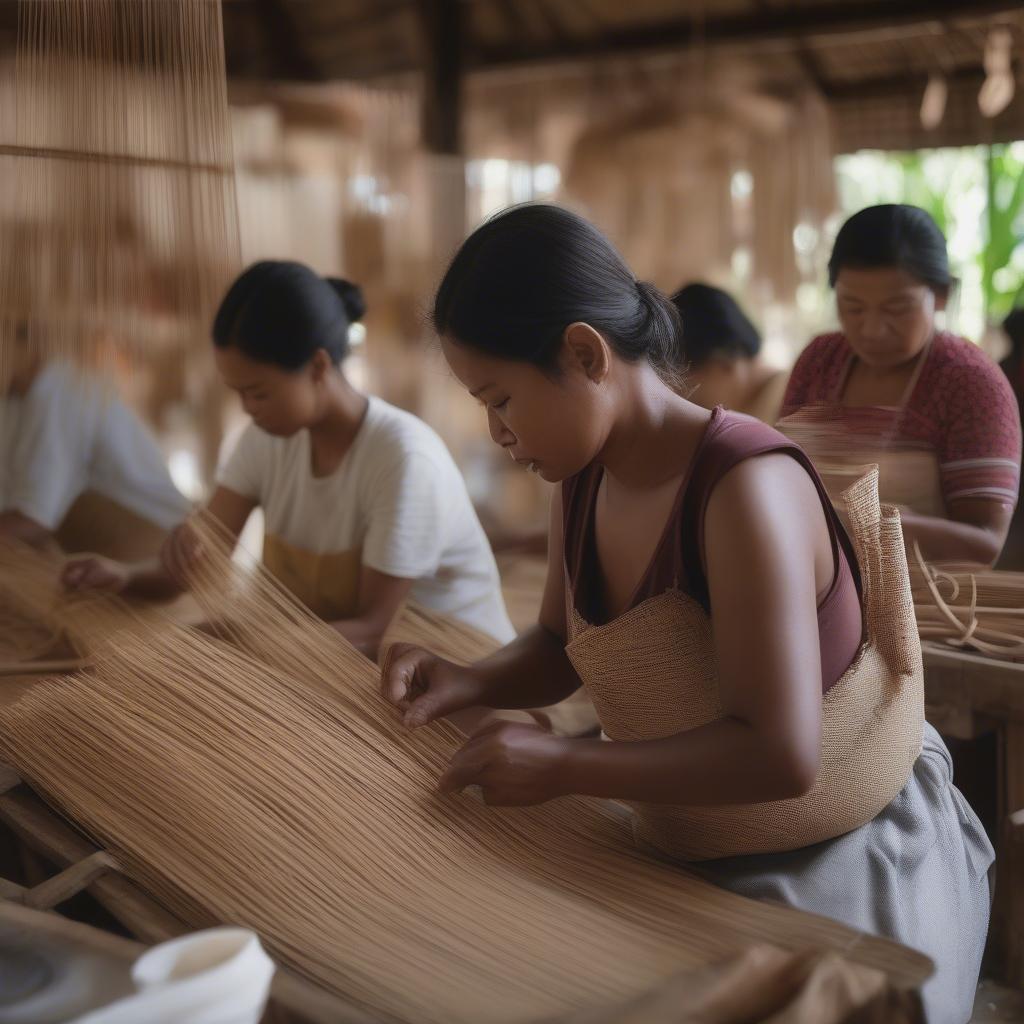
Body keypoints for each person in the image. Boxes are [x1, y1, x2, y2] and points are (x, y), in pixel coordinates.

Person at [381, 204, 991, 1024]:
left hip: (836, 848)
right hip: (689, 835)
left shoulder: (744, 489)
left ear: (584, 353)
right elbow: (563, 646)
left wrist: (565, 763)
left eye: (502, 399)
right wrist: (465, 681)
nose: (496, 433)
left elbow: (779, 757)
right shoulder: (581, 480)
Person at [63, 261, 515, 656]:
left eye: (258, 392)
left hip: (453, 681)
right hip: (339, 666)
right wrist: (123, 576)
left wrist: (245, 642)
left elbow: (373, 632)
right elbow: (191, 567)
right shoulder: (266, 442)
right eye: (238, 393)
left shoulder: (402, 459)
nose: (247, 408)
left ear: (318, 367)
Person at [778, 204, 1021, 565]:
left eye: (897, 308)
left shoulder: (970, 383)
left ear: (941, 296)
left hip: (931, 606)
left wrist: (855, 524)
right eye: (853, 307)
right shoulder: (819, 361)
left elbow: (985, 543)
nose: (872, 329)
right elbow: (780, 474)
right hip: (816, 584)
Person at [0, 324, 188, 555]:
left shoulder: (63, 390)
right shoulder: (13, 401)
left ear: (21, 344)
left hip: (157, 547)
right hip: (99, 556)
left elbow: (34, 520)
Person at [669, 283, 787, 423]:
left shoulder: (796, 404)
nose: (692, 407)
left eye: (691, 396)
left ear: (722, 361)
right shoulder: (752, 415)